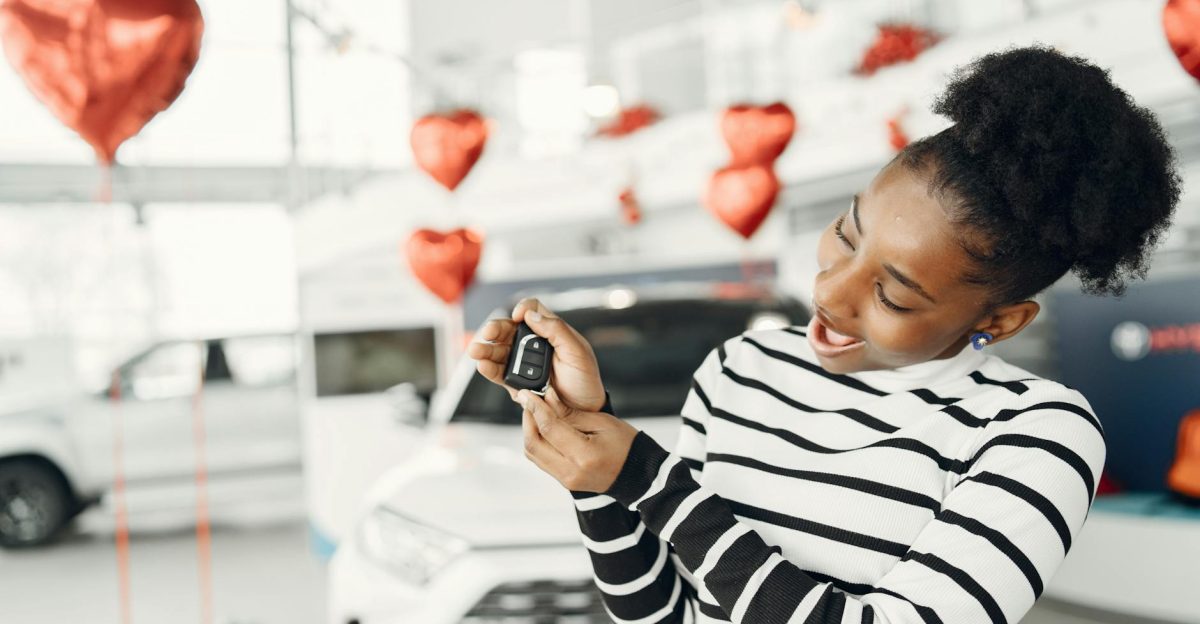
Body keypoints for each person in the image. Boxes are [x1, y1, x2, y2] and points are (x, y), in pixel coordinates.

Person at [467, 44, 1180, 624]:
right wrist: (591, 465)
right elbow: (661, 615)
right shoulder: (742, 368)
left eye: (893, 294)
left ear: (999, 322)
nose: (831, 293)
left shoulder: (1034, 433)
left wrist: (647, 480)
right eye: (846, 234)